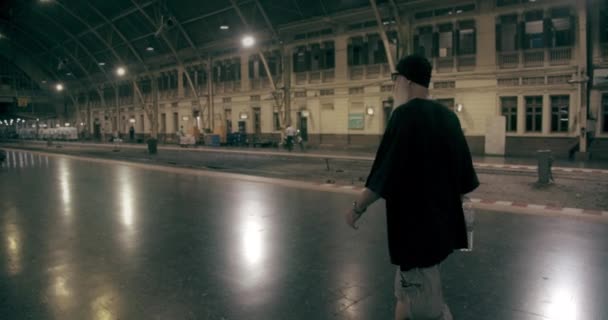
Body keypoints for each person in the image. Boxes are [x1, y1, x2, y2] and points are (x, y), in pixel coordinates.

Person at [345, 54, 479, 320]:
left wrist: (356, 209)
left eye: (395, 80)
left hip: (413, 234)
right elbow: (464, 177)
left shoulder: (403, 116)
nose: (394, 86)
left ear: (405, 80)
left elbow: (383, 174)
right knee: (405, 295)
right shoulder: (448, 117)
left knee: (430, 310)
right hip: (441, 232)